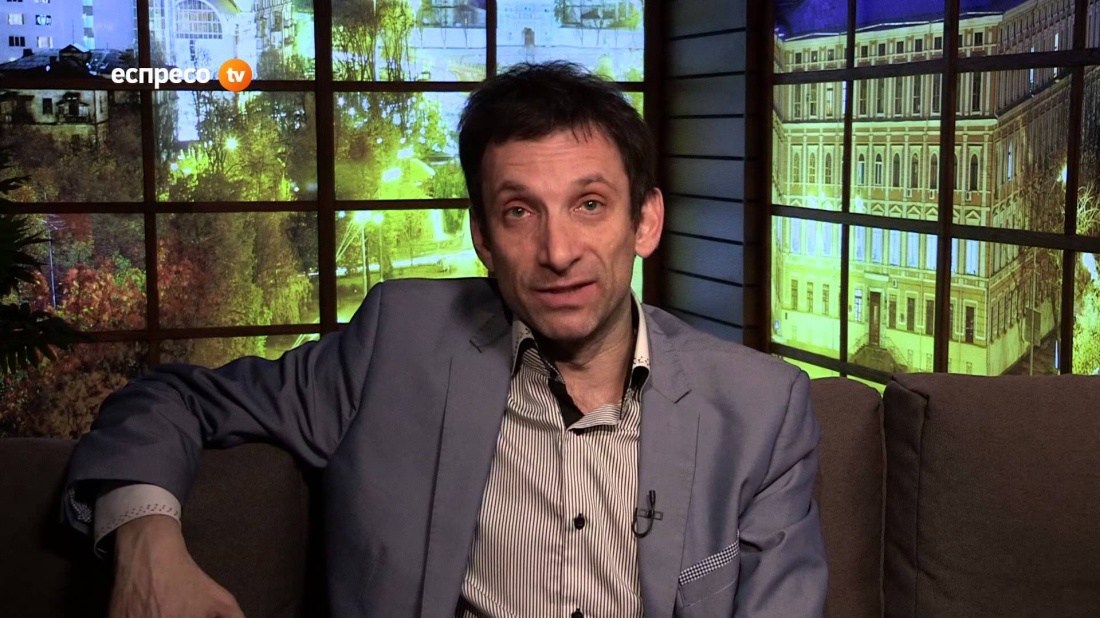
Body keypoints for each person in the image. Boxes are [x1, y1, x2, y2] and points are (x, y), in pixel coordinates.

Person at [63, 62, 827, 617]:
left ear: (646, 222)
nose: (559, 251)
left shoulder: (761, 409)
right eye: (520, 211)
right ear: (483, 238)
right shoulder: (396, 345)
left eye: (590, 204)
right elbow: (173, 397)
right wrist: (144, 538)